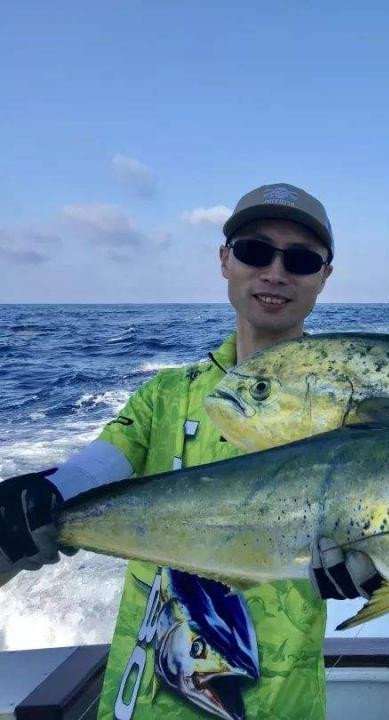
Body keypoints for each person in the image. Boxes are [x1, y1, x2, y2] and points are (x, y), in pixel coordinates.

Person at [0, 183, 337, 719]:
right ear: (225, 260)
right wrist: (42, 499)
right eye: (254, 251)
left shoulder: (349, 410)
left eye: (299, 260)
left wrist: (378, 565)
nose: (275, 273)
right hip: (144, 700)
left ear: (324, 276)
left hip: (279, 701)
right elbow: (97, 466)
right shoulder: (165, 395)